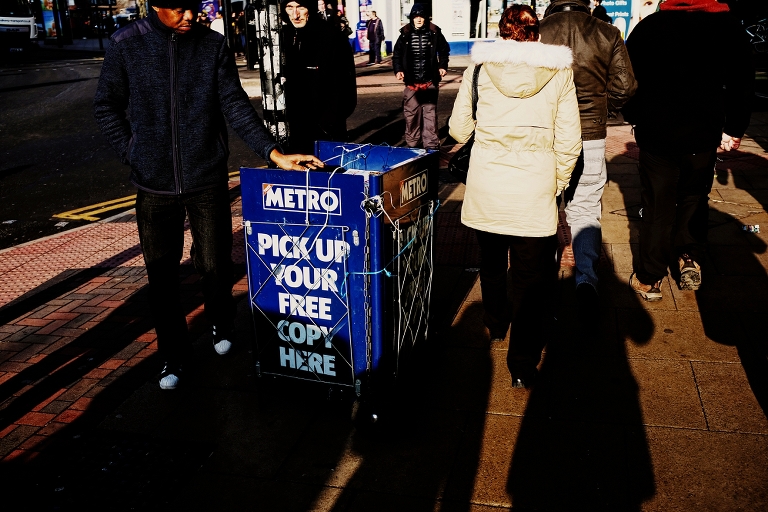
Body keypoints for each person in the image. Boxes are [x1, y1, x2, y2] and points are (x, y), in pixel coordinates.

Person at [93, 0, 323, 390]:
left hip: (206, 179)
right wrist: (132, 151)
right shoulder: (125, 43)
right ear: (155, 6)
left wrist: (274, 153)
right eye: (179, 9)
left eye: (193, 8)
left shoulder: (211, 45)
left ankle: (220, 321)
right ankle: (173, 357)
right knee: (162, 277)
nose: (189, 17)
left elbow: (234, 105)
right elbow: (106, 105)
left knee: (215, 263)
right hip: (153, 186)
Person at [448, 5, 581, 388]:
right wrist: (555, 183)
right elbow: (569, 140)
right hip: (534, 188)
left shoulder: (478, 69)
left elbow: (459, 130)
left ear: (501, 33)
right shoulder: (559, 72)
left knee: (490, 264)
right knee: (530, 279)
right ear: (537, 34)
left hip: (488, 185)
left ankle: (494, 323)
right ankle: (522, 364)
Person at [622, 0, 754, 301]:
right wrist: (734, 128)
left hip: (658, 132)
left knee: (657, 204)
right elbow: (742, 82)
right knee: (694, 197)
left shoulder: (650, 27)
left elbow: (627, 80)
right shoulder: (727, 26)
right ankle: (688, 257)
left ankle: (650, 277)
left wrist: (634, 115)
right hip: (703, 132)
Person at [540, 0, 637, 313]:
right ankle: (586, 279)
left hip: (546, 134)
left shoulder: (537, 32)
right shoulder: (607, 32)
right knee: (585, 209)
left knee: (541, 207)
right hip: (590, 134)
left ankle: (543, 279)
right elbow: (624, 86)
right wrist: (602, 110)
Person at [281, 0, 357, 154]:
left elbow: (347, 85)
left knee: (329, 173)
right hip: (295, 127)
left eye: (300, 7)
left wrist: (331, 120)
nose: (295, 15)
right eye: (290, 7)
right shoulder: (283, 36)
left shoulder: (331, 36)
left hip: (327, 128)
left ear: (310, 8)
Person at [392, 3, 450, 150]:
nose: (418, 19)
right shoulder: (405, 34)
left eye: (421, 16)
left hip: (430, 82)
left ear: (425, 18)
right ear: (412, 18)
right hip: (411, 83)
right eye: (415, 16)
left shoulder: (435, 32)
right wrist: (398, 69)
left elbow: (444, 51)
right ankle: (413, 147)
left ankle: (431, 148)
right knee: (411, 116)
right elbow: (397, 55)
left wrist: (443, 66)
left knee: (430, 116)